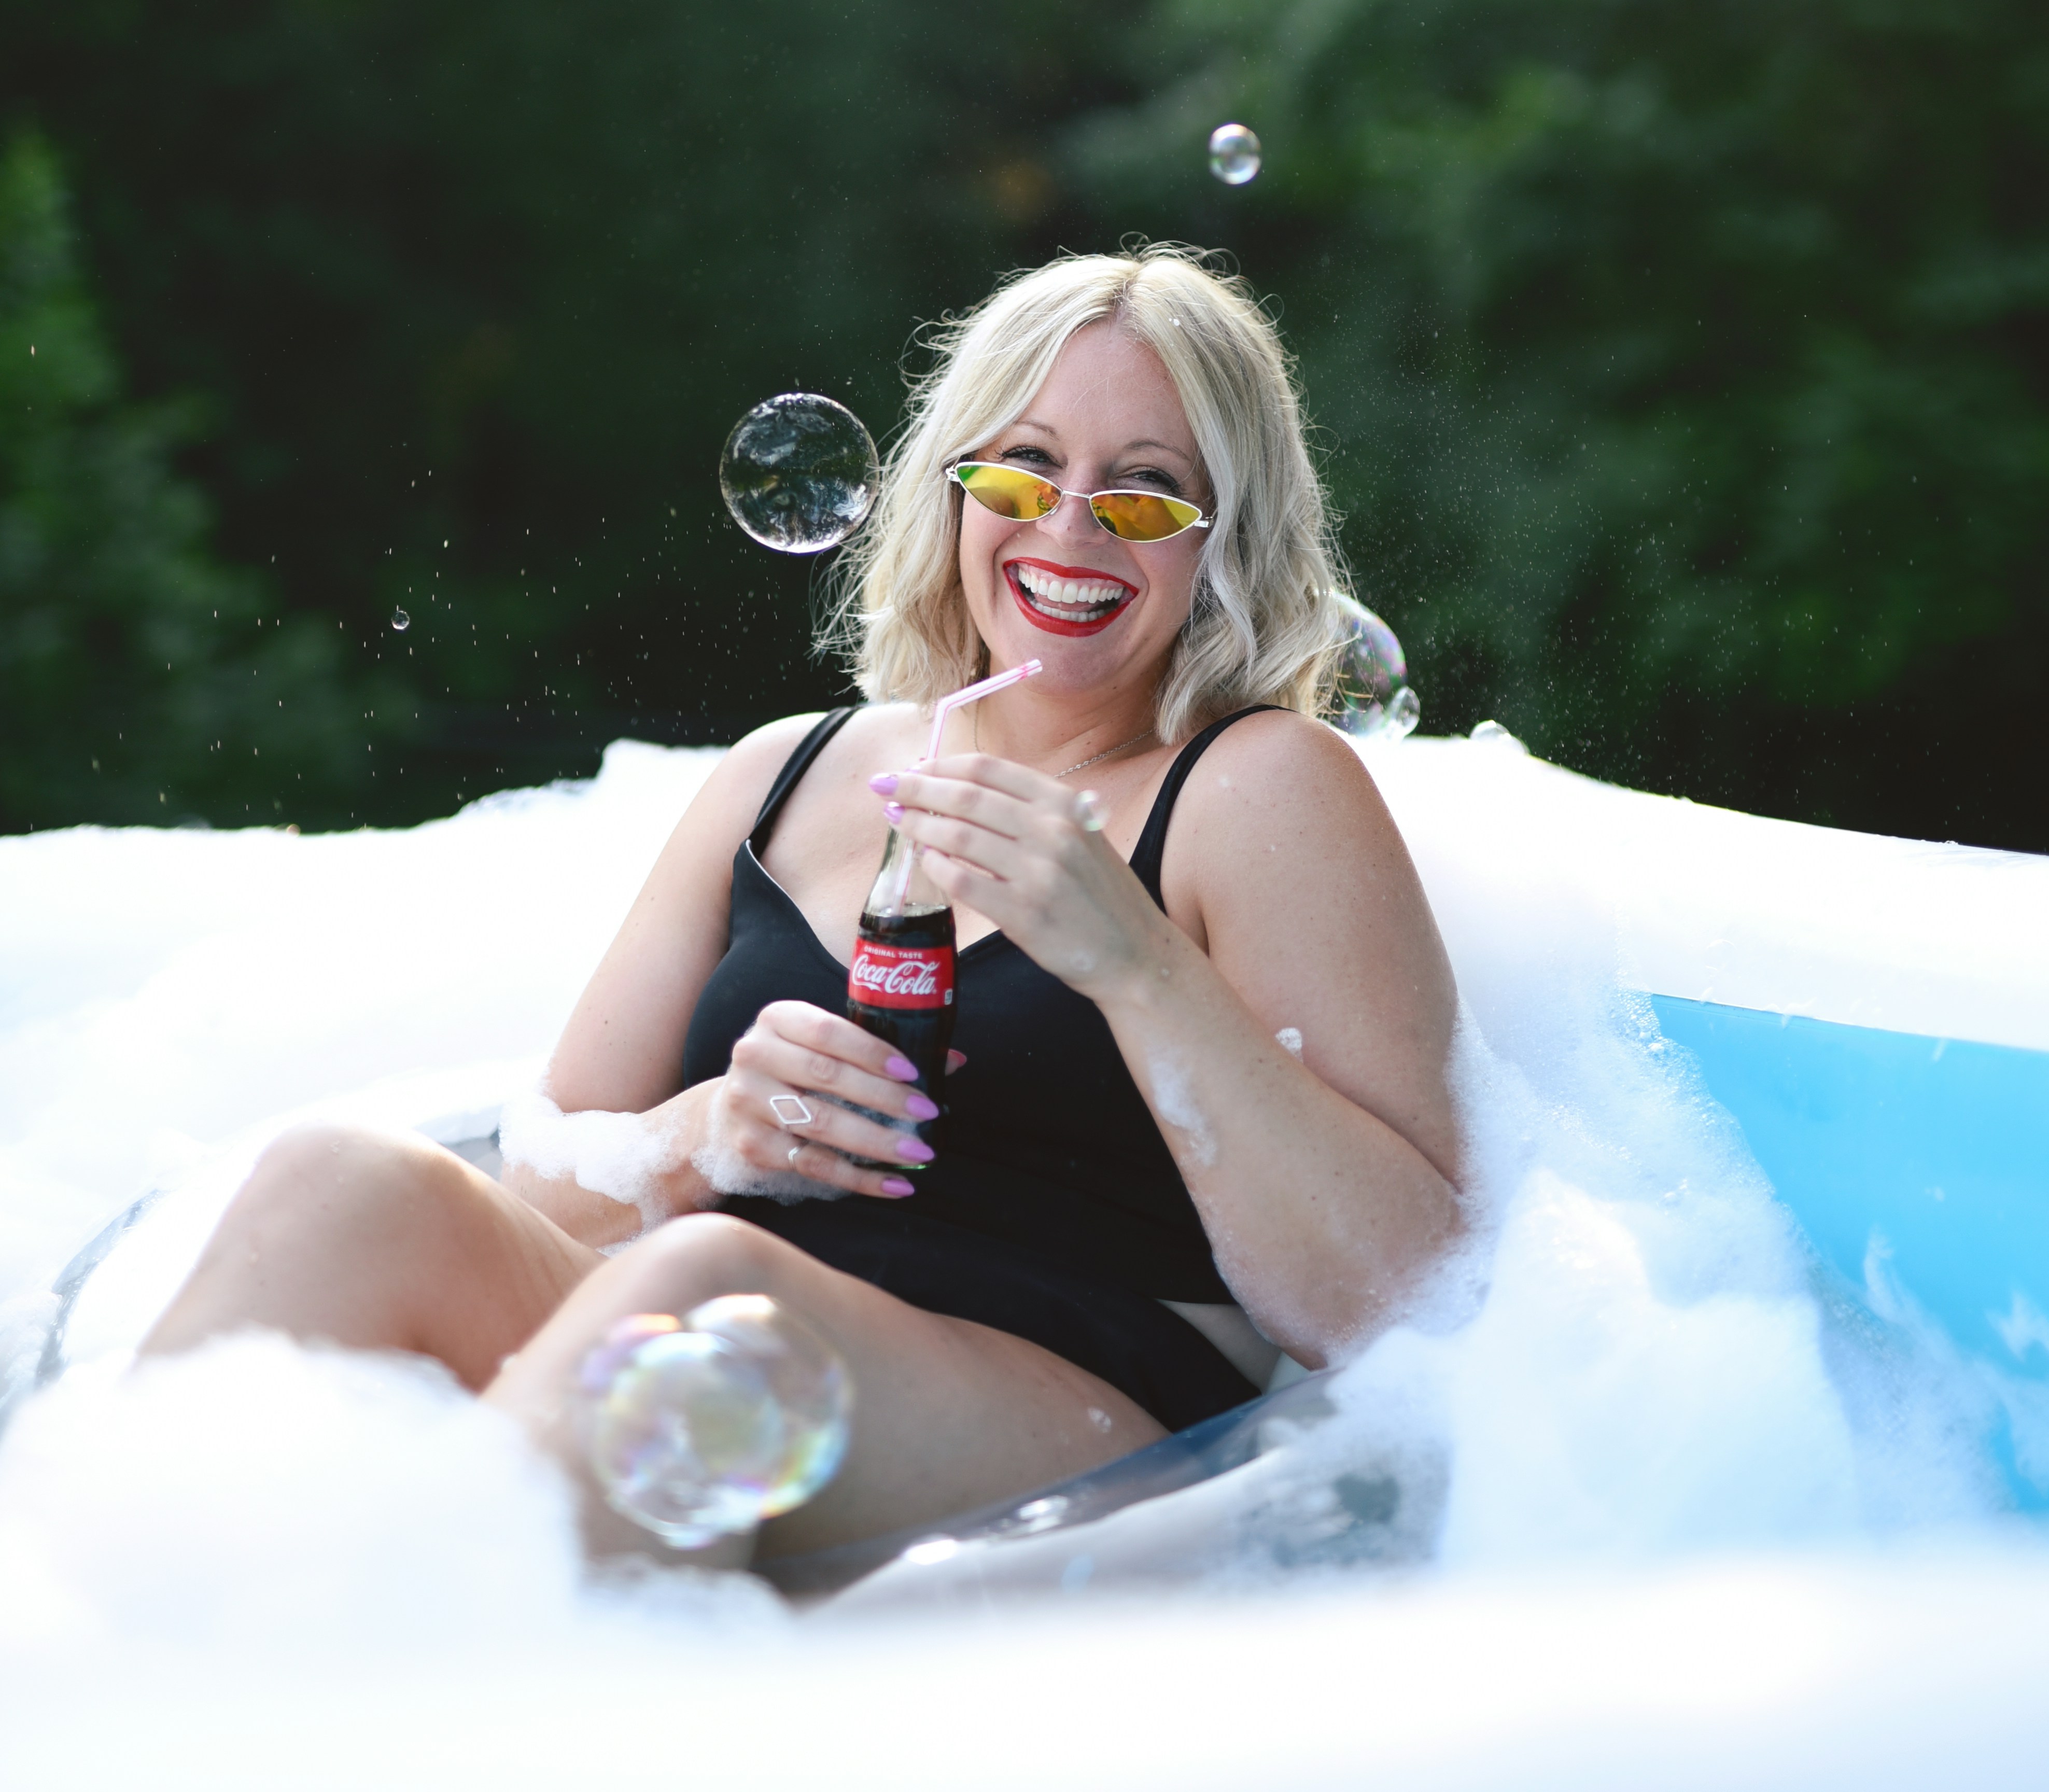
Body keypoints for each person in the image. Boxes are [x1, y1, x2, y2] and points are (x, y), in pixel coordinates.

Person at [142, 246, 1463, 1565]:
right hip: (694, 1347)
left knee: (703, 1298)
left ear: (1226, 532)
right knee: (341, 1182)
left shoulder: (1258, 786)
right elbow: (542, 1170)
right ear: (954, 488)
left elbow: (1399, 1286)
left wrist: (1136, 963)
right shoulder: (783, 771)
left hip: (1081, 1395)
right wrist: (704, 1133)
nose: (1065, 528)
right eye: (1020, 468)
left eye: (1143, 491)